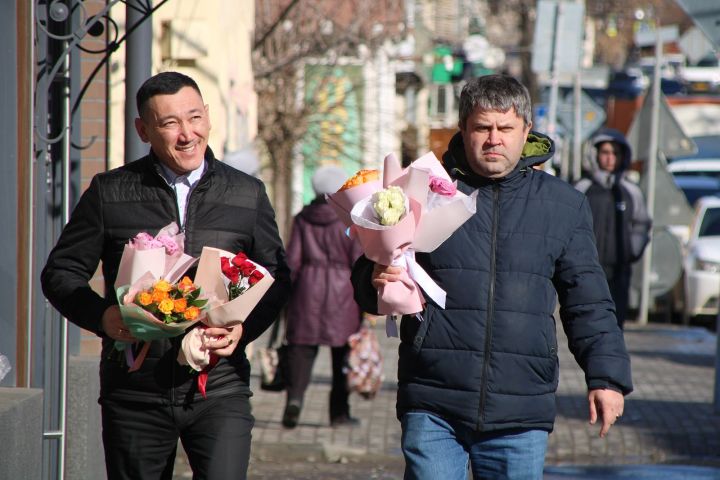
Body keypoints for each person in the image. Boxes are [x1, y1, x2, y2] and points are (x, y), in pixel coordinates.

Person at [351, 74, 633, 479]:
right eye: (482, 127)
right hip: (433, 398)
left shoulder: (563, 205)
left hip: (520, 408)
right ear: (463, 129)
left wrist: (606, 377)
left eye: (505, 128)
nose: (493, 139)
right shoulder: (422, 192)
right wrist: (375, 277)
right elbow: (369, 277)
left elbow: (588, 301)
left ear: (527, 130)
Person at [41, 71, 291, 480]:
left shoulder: (247, 193)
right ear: (143, 130)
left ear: (207, 116)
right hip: (135, 393)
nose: (187, 134)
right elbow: (61, 273)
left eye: (194, 118)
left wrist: (243, 331)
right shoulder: (109, 192)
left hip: (219, 386)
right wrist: (103, 317)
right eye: (170, 123)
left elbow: (278, 277)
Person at [281, 165, 364, 428]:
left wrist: (285, 297)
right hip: (344, 295)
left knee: (301, 351)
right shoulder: (350, 219)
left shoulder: (302, 218)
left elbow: (292, 261)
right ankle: (339, 414)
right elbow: (357, 260)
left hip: (307, 292)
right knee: (342, 357)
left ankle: (294, 400)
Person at [575, 129, 651, 329]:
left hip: (619, 274)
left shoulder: (630, 191)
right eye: (605, 152)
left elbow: (642, 223)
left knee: (614, 327)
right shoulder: (582, 188)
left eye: (615, 153)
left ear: (623, 156)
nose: (610, 158)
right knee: (586, 326)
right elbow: (566, 223)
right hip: (585, 271)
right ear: (596, 154)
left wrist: (631, 250)